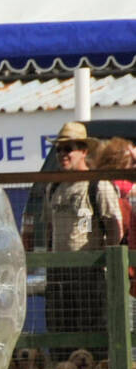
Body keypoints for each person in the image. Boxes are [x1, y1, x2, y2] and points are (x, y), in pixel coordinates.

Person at [44, 122, 121, 335]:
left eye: (68, 149)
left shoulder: (97, 184)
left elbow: (114, 225)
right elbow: (50, 227)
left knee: (92, 331)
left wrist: (108, 263)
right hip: (59, 273)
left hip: (89, 270)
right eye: (58, 149)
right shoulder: (53, 187)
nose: (62, 154)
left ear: (84, 151)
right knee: (60, 331)